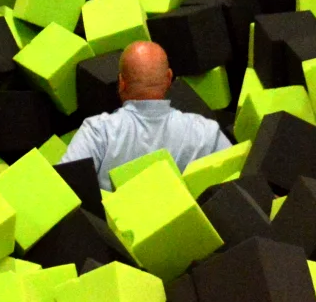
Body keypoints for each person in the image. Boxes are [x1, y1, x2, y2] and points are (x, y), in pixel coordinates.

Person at [58, 40, 231, 190]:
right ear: (169, 78)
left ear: (121, 82)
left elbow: (63, 190)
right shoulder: (206, 133)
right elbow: (235, 188)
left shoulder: (96, 133)